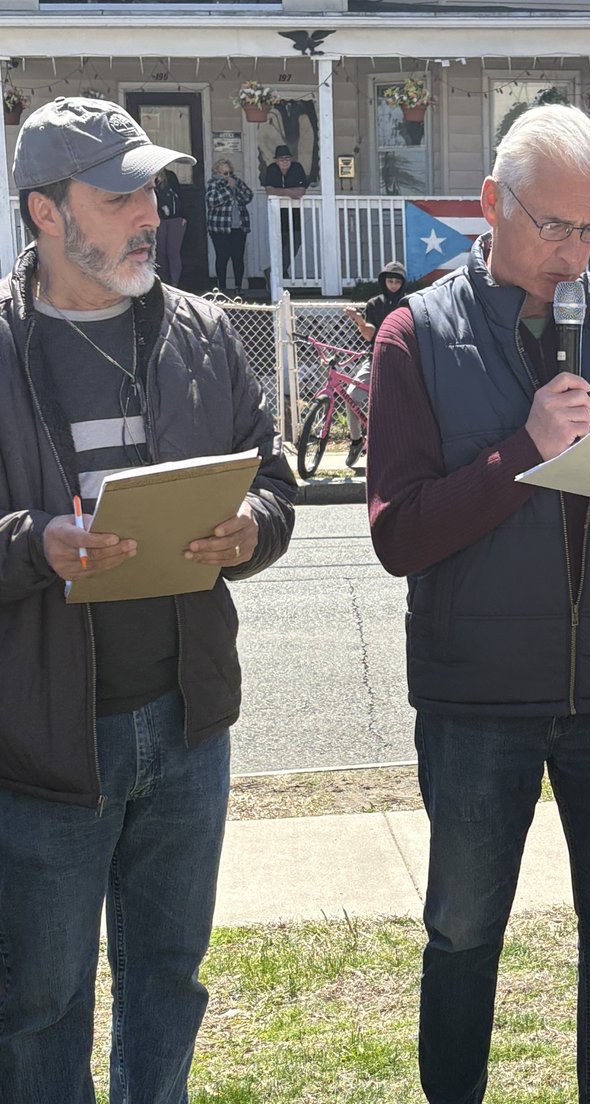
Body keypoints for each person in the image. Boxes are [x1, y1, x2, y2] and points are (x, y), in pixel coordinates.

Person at [366, 104, 590, 1102]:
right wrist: (522, 453)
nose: (574, 254)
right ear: (491, 204)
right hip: (478, 697)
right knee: (464, 932)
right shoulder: (414, 335)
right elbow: (400, 535)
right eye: (553, 227)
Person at [0, 96, 296, 1101]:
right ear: (45, 212)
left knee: (168, 984)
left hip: (186, 729)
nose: (148, 214)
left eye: (150, 191)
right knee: (39, 1009)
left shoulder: (204, 335)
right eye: (118, 193)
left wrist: (253, 527)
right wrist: (39, 545)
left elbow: (277, 480)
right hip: (39, 748)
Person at [341, 260, 408, 466]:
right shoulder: (374, 304)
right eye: (390, 280)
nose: (393, 285)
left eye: (397, 281)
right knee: (351, 397)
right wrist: (359, 321)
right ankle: (356, 441)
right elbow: (369, 335)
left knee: (401, 406)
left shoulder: (407, 303)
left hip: (402, 360)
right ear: (383, 281)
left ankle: (403, 450)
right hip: (375, 359)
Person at [205, 157, 254, 293]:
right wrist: (228, 188)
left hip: (238, 227)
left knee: (238, 257)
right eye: (225, 173)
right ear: (218, 173)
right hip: (220, 228)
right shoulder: (213, 184)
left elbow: (249, 196)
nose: (228, 176)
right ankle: (222, 287)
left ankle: (239, 287)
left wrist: (236, 187)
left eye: (230, 173)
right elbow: (211, 201)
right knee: (222, 257)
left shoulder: (236, 182)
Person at [263, 143, 307, 279]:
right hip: (277, 215)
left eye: (287, 159)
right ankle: (281, 274)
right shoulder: (271, 169)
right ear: (276, 161)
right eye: (282, 160)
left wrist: (280, 192)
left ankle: (275, 272)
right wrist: (290, 192)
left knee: (295, 243)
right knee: (279, 246)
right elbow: (269, 191)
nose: (285, 162)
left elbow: (301, 191)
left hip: (294, 215)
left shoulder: (297, 168)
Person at [154, 166, 186, 285]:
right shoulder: (147, 176)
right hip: (157, 219)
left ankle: (174, 284)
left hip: (175, 218)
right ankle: (163, 283)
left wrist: (184, 216)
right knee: (159, 252)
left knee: (173, 252)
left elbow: (179, 195)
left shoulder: (170, 176)